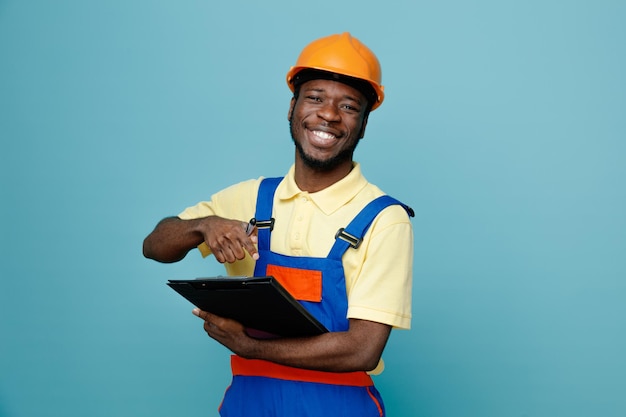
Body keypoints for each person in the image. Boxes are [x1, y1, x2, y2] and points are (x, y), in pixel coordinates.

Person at [143, 32, 414, 417]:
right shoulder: (249, 199)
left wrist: (250, 347)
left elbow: (363, 348)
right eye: (315, 97)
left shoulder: (384, 219)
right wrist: (203, 225)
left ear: (364, 124)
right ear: (292, 108)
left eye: (349, 106)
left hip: (338, 406)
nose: (329, 114)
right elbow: (154, 246)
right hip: (248, 403)